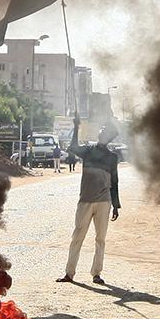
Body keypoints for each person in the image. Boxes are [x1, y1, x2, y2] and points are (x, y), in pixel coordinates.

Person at [56, 116, 121, 285]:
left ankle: (96, 273)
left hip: (104, 202)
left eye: (105, 132)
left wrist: (116, 205)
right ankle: (69, 273)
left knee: (100, 239)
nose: (101, 133)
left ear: (109, 138)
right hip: (85, 200)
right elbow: (72, 147)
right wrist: (76, 127)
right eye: (101, 131)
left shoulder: (112, 157)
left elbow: (114, 181)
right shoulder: (88, 150)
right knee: (77, 236)